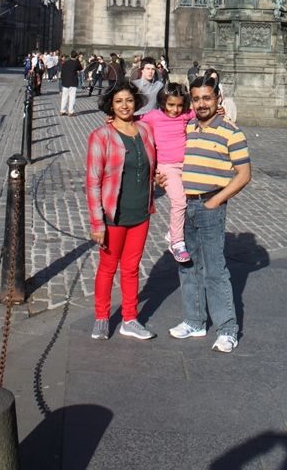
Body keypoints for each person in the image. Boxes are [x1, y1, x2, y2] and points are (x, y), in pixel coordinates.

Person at [167, 74, 251, 353]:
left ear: (218, 99)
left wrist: (217, 200)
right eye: (197, 98)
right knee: (188, 266)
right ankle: (195, 321)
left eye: (207, 98)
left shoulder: (231, 131)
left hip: (209, 206)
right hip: (184, 207)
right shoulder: (186, 127)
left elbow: (244, 174)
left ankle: (227, 329)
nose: (201, 103)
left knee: (215, 270)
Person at [86, 82, 158, 340]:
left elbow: (153, 162)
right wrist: (97, 223)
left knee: (131, 267)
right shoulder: (101, 136)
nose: (125, 105)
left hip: (141, 211)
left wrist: (158, 177)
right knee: (107, 267)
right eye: (119, 102)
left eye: (128, 100)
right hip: (113, 214)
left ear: (135, 102)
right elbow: (93, 181)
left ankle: (130, 318)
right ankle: (102, 318)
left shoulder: (146, 130)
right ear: (111, 106)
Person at [140, 82, 196, 263]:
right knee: (179, 201)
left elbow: (203, 111)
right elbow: (133, 122)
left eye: (179, 105)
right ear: (163, 102)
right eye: (171, 105)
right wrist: (112, 119)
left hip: (186, 165)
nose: (175, 109)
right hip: (166, 167)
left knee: (191, 200)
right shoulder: (154, 116)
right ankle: (177, 242)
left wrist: (219, 110)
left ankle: (173, 232)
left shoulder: (185, 115)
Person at [60, 50, 82, 116]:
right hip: (73, 82)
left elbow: (62, 72)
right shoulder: (76, 63)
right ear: (76, 57)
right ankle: (70, 112)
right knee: (72, 97)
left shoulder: (65, 63)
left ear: (70, 56)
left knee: (64, 97)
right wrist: (77, 60)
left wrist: (62, 80)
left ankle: (62, 110)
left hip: (65, 82)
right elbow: (81, 68)